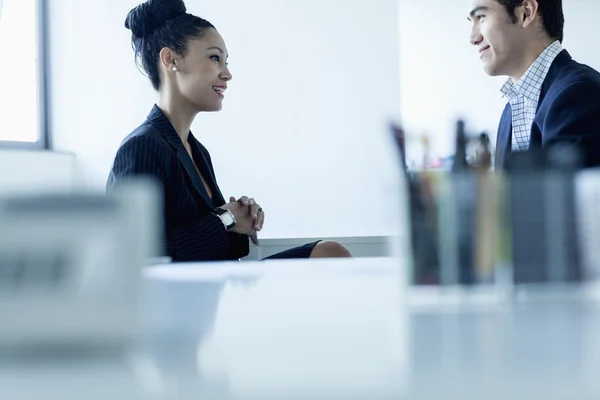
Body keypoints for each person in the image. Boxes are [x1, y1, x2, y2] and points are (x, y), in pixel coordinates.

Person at [107, 0, 350, 262]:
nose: (227, 74)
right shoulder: (142, 146)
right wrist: (226, 217)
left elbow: (215, 245)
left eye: (226, 61)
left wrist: (242, 220)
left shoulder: (196, 150)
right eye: (215, 58)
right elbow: (135, 257)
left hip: (215, 285)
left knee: (329, 252)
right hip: (185, 300)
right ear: (171, 59)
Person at [468, 0, 600, 169]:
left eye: (481, 17)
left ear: (526, 13)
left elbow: (563, 194)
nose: (472, 38)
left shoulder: (579, 94)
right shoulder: (509, 112)